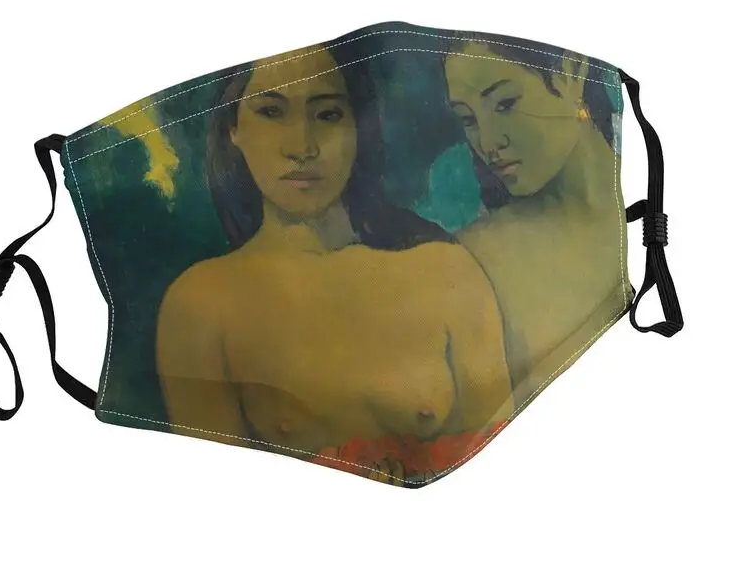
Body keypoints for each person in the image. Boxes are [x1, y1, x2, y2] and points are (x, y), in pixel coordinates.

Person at [156, 43, 513, 486]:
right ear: (233, 129)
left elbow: (501, 467)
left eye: (327, 114)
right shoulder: (201, 304)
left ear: (359, 128)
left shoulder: (447, 273)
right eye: (271, 112)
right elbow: (213, 491)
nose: (302, 147)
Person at [442, 37, 629, 405]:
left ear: (571, 72)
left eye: (505, 104)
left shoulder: (651, 212)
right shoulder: (477, 258)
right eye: (468, 119)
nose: (488, 142)